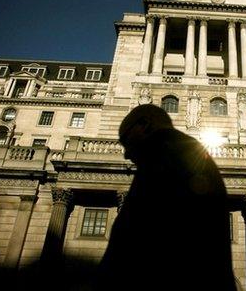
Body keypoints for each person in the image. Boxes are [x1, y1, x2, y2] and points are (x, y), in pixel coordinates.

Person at [97, 104, 236, 291]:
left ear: (145, 125)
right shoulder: (191, 153)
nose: (126, 153)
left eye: (125, 139)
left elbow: (133, 235)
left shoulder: (161, 152)